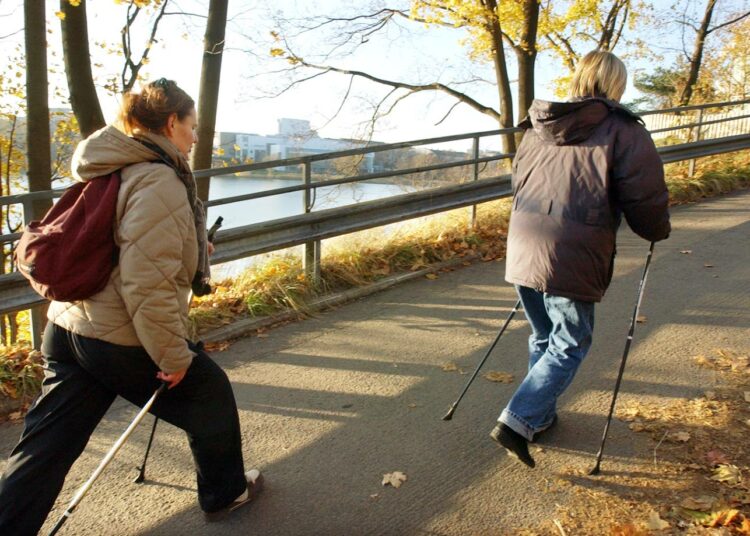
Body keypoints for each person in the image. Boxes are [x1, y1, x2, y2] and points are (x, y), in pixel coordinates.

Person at [0, 79, 262, 535]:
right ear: (171, 122)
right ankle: (225, 493)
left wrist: (191, 244)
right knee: (209, 394)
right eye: (193, 126)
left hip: (67, 328)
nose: (196, 137)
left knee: (45, 449)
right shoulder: (159, 176)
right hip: (116, 336)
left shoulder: (115, 162)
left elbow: (121, 242)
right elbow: (147, 283)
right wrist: (172, 356)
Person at [489, 51, 671, 468]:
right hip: (573, 253)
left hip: (525, 245)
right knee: (570, 342)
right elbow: (644, 195)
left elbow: (520, 182)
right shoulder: (623, 131)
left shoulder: (539, 127)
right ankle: (518, 419)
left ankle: (540, 416)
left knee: (545, 336)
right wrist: (657, 229)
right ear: (616, 84)